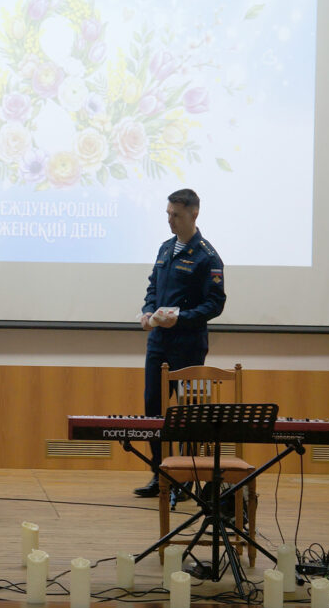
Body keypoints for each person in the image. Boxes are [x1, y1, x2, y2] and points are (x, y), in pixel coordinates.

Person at [134, 188, 226, 497]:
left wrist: (182, 318)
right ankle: (160, 475)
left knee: (187, 414)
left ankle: (185, 478)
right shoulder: (164, 249)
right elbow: (153, 288)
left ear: (194, 214)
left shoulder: (207, 256)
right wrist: (148, 312)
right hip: (158, 344)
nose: (171, 220)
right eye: (168, 214)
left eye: (177, 215)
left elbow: (215, 305)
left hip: (188, 346)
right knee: (153, 410)